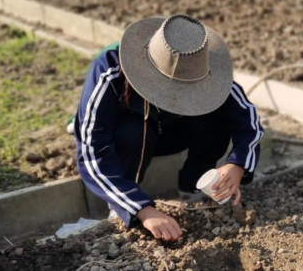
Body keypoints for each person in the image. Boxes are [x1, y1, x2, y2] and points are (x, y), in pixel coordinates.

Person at [73, 14, 264, 242]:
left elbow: (248, 119)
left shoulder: (202, 65)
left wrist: (237, 163)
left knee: (218, 116)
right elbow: (93, 151)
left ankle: (193, 187)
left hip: (175, 130)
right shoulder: (109, 70)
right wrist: (142, 209)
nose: (174, 97)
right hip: (134, 133)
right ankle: (121, 201)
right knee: (132, 131)